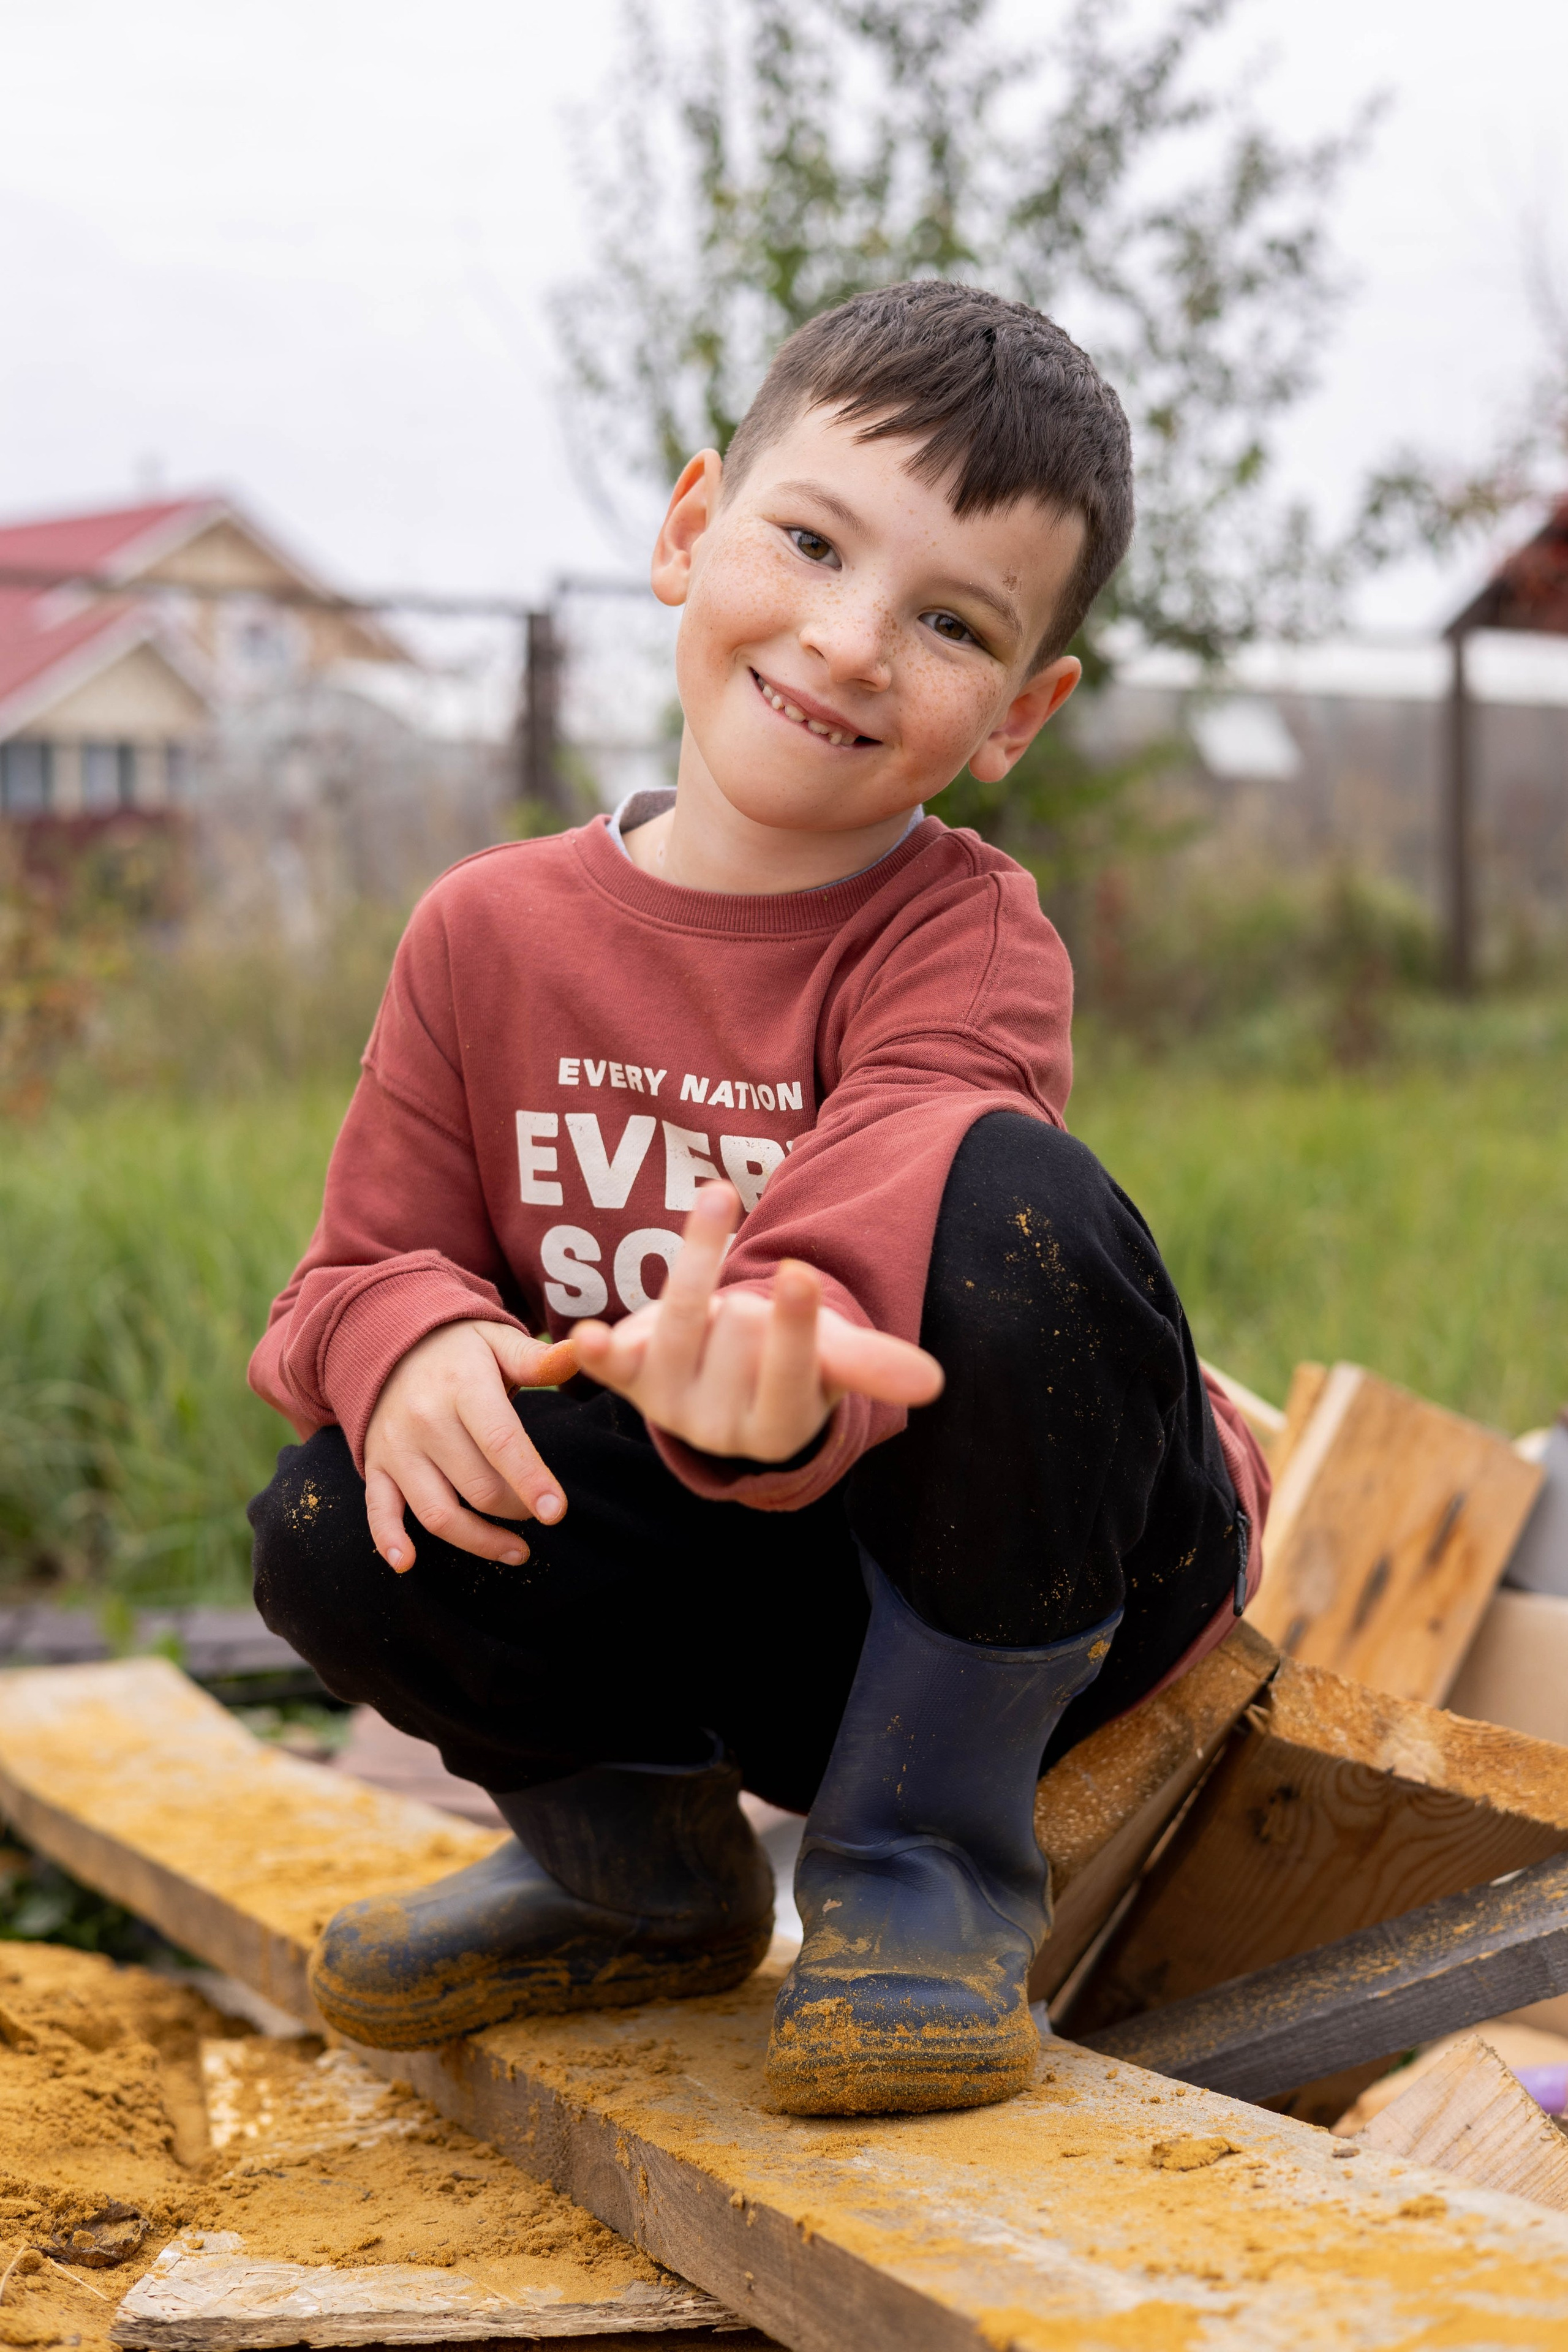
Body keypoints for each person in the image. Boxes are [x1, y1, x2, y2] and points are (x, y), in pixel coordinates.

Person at [247, 280, 1268, 2118]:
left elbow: (917, 1146)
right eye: (809, 543)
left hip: (1025, 1579)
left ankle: (924, 1876)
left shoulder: (964, 935)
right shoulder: (486, 933)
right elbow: (358, 1268)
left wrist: (769, 1343)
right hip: (755, 1619)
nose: (853, 640)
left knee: (1016, 1200)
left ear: (1021, 711)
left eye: (950, 621)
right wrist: (407, 1351)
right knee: (337, 1517)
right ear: (690, 529)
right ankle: (630, 1873)